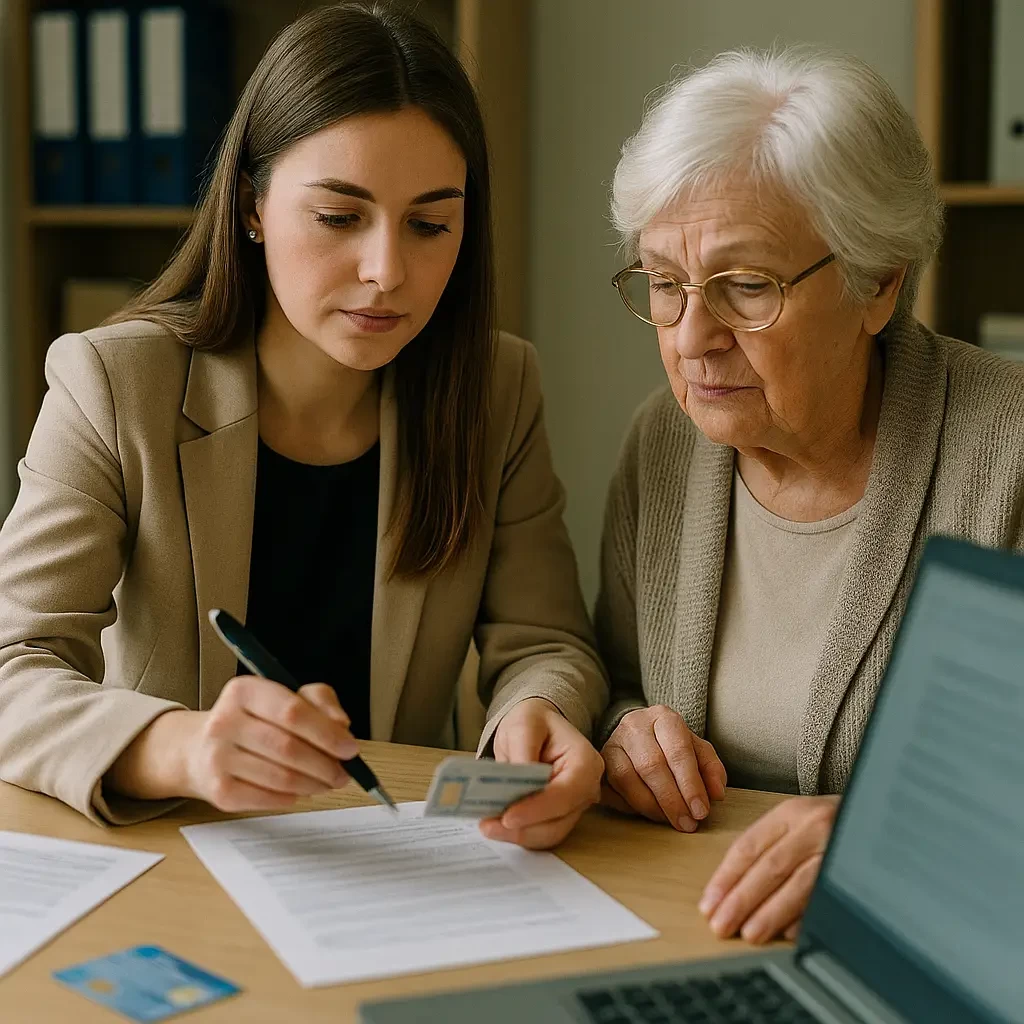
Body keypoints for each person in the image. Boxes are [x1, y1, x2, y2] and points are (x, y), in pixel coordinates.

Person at [0, 2, 607, 849]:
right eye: (339, 217)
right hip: (175, 848)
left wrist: (536, 713)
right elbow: (12, 666)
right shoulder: (113, 381)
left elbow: (544, 640)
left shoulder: (496, 387)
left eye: (431, 224)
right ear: (252, 207)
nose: (386, 271)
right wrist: (180, 747)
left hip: (398, 851)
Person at [596, 47, 1024, 942]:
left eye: (746, 287)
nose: (692, 338)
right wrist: (628, 736)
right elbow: (625, 682)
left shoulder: (1010, 453)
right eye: (666, 286)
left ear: (879, 282)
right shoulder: (666, 447)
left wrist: (889, 845)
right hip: (692, 930)